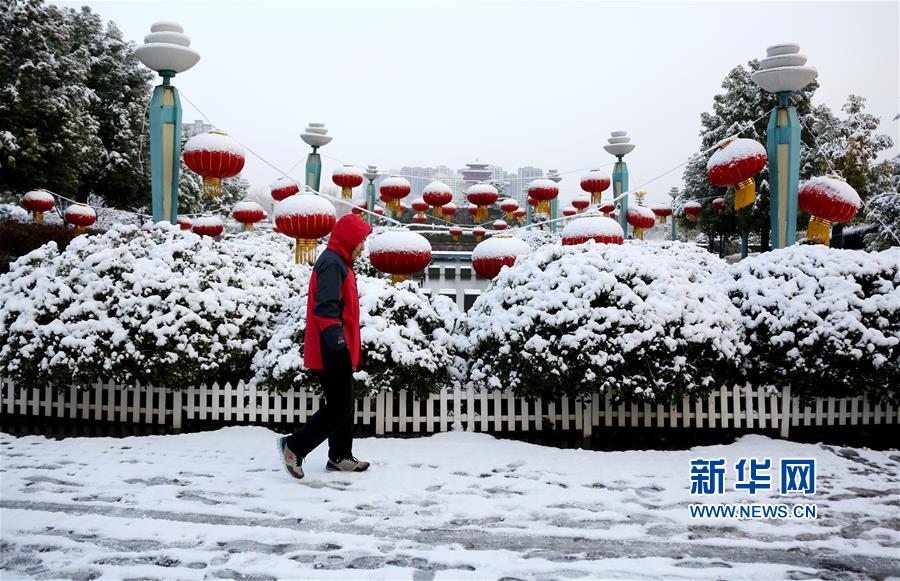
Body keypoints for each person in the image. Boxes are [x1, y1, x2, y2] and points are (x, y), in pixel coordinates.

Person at [277, 213, 372, 479]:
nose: (363, 246)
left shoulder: (341, 261)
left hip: (339, 347)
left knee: (344, 404)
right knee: (339, 407)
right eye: (360, 241)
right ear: (348, 239)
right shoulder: (332, 264)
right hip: (330, 348)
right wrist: (339, 345)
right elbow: (326, 310)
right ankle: (294, 446)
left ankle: (340, 455)